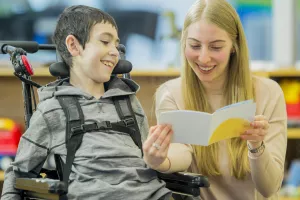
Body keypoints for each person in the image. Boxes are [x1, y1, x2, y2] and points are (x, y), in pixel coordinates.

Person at [1, 5, 173, 200]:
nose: (115, 52)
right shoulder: (53, 109)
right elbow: (19, 173)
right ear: (73, 45)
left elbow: (147, 160)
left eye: (116, 45)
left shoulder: (128, 102)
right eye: (105, 42)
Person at [148, 0, 288, 199]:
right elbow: (182, 152)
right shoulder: (170, 93)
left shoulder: (268, 93)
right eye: (195, 45)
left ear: (234, 46)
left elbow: (269, 188)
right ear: (184, 43)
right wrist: (158, 160)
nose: (204, 58)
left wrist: (257, 145)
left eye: (215, 47)